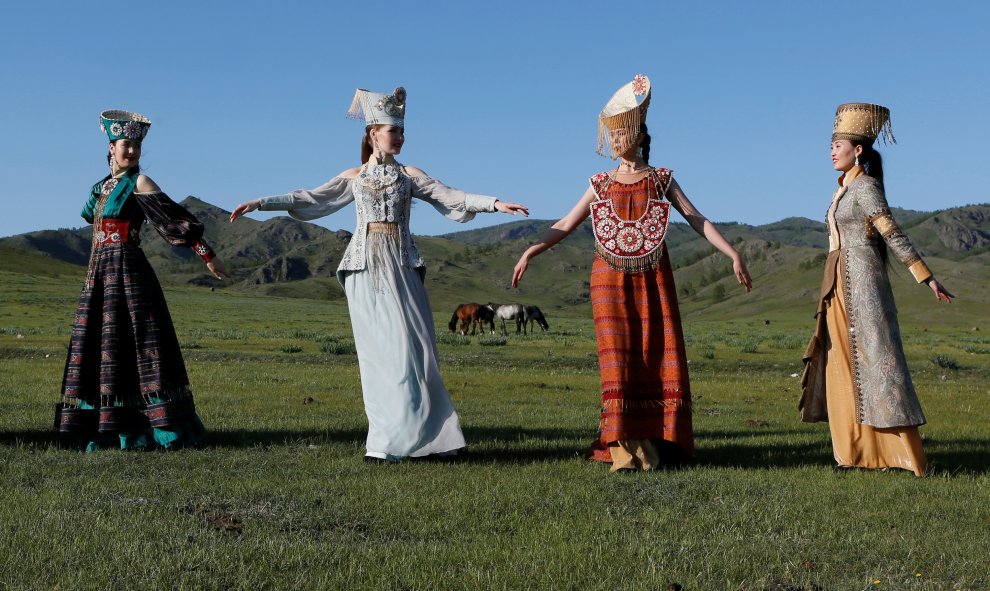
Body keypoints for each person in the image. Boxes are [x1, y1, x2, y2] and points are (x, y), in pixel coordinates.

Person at [230, 87, 528, 462]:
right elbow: (310, 198)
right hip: (365, 270)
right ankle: (385, 443)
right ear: (373, 134)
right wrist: (261, 202)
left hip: (403, 267)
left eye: (402, 132)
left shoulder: (410, 175)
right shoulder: (354, 176)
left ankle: (432, 441)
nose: (400, 138)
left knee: (416, 351)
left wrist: (496, 203)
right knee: (379, 356)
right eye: (394, 131)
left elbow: (452, 197)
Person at [512, 75, 752, 472]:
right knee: (617, 361)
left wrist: (732, 253)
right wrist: (532, 249)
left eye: (621, 133)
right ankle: (623, 450)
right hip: (608, 280)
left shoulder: (662, 180)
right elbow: (567, 222)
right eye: (612, 134)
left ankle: (658, 445)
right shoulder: (600, 183)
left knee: (657, 356)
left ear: (639, 135)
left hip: (654, 278)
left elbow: (696, 219)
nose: (615, 141)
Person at [55, 110, 229, 450]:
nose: (131, 151)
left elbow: (174, 220)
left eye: (136, 145)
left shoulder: (140, 183)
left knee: (139, 345)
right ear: (111, 147)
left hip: (130, 273)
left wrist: (207, 254)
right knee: (101, 347)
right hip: (98, 276)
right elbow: (90, 218)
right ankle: (102, 425)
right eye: (125, 145)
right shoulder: (98, 189)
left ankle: (154, 427)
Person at [800, 103, 953, 477]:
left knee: (877, 362)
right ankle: (853, 454)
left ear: (859, 150)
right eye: (832, 144)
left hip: (863, 283)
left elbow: (891, 232)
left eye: (839, 144)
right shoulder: (843, 188)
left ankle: (903, 455)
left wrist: (925, 275)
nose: (832, 150)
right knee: (842, 365)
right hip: (837, 283)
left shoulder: (865, 186)